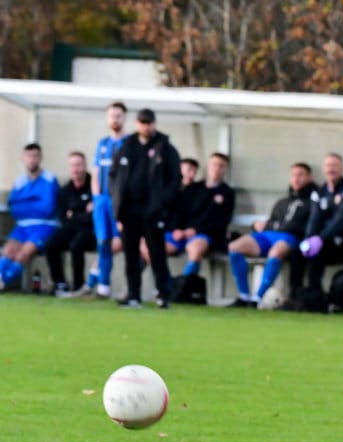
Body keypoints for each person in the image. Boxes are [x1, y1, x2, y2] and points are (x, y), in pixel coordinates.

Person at [107, 107, 181, 308]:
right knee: (131, 255)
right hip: (129, 211)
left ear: (154, 124)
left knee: (156, 253)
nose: (146, 127)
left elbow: (175, 178)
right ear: (137, 124)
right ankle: (133, 295)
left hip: (153, 211)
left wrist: (162, 201)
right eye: (142, 122)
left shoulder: (164, 148)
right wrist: (117, 201)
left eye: (149, 123)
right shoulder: (127, 146)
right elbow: (114, 175)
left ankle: (163, 295)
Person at [227, 162, 317, 308]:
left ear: (309, 177)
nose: (296, 178)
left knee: (275, 252)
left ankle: (257, 298)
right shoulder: (282, 202)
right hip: (268, 235)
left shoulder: (312, 202)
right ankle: (244, 296)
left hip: (289, 238)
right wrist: (258, 225)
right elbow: (272, 222)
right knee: (234, 247)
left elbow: (306, 226)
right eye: (293, 175)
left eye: (301, 175)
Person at [69, 101, 128, 298]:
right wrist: (96, 197)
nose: (115, 119)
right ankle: (102, 287)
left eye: (118, 116)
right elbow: (96, 172)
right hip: (102, 201)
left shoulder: (129, 144)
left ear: (124, 118)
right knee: (103, 242)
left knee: (118, 243)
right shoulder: (102, 144)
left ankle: (94, 283)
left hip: (121, 204)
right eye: (112, 116)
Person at [298, 152, 343, 305]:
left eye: (334, 165)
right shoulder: (319, 193)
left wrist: (320, 238)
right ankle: (304, 295)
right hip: (325, 242)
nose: (331, 169)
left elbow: (341, 221)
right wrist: (309, 239)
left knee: (319, 248)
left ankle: (328, 299)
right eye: (328, 165)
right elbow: (314, 219)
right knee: (297, 253)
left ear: (342, 168)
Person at [0, 143, 59, 291]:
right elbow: (14, 208)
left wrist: (24, 203)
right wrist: (34, 202)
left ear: (40, 158)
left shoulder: (49, 179)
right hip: (22, 226)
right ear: (23, 158)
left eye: (35, 156)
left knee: (22, 254)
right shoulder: (20, 182)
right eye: (29, 156)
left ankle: (3, 282)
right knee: (7, 251)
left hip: (43, 226)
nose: (32, 160)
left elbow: (47, 208)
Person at [169, 153, 235, 282]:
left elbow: (222, 221)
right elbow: (178, 211)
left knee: (196, 250)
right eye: (214, 164)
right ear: (208, 166)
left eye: (221, 166)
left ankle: (182, 287)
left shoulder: (227, 193)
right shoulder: (193, 188)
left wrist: (195, 230)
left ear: (225, 170)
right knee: (152, 247)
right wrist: (176, 229)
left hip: (203, 234)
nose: (217, 168)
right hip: (181, 233)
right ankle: (163, 285)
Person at [45, 151, 96, 294]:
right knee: (50, 245)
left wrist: (74, 214)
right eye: (72, 165)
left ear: (85, 166)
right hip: (70, 229)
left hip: (89, 231)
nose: (75, 169)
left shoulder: (94, 186)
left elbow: (92, 217)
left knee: (76, 245)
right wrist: (83, 212)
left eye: (78, 165)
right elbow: (62, 216)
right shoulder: (65, 190)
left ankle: (78, 285)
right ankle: (60, 283)